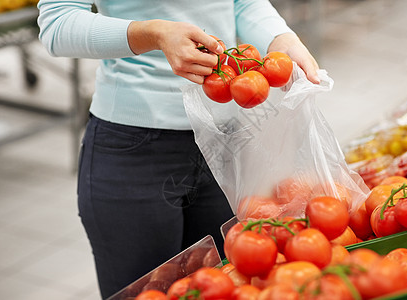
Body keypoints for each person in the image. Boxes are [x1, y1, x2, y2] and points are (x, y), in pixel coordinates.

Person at [37, 0, 320, 298]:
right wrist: (152, 33)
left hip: (223, 142)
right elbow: (58, 23)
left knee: (226, 286)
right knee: (147, 291)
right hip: (135, 149)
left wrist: (279, 36)